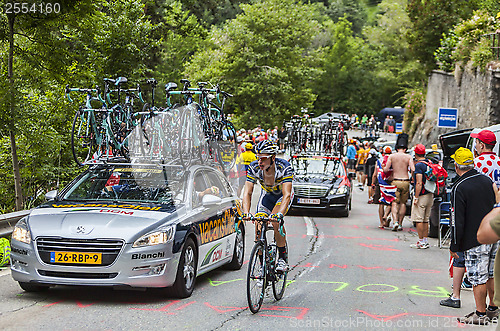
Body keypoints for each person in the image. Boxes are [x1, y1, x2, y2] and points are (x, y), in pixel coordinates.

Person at [448, 148, 498, 325]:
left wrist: (455, 245)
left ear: (456, 165)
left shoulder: (459, 186)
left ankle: (480, 313)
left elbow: (456, 220)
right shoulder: (487, 180)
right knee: (491, 274)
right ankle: (493, 308)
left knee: (478, 277)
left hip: (474, 238)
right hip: (493, 234)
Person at [241, 140, 294, 272]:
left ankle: (282, 259)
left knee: (275, 222)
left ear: (273, 158)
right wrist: (246, 213)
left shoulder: (284, 167)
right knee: (258, 225)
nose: (260, 162)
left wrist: (279, 215)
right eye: (258, 158)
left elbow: (287, 194)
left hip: (282, 197)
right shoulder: (254, 168)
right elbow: (247, 192)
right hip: (267, 196)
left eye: (263, 159)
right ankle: (262, 267)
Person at [384, 141, 414, 231]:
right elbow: (413, 169)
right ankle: (400, 224)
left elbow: (386, 170)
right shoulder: (408, 157)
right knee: (403, 203)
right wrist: (411, 176)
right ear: (405, 149)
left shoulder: (392, 156)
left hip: (395, 181)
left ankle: (395, 222)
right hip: (405, 181)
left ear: (397, 149)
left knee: (394, 202)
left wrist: (385, 168)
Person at [410, 144, 434, 249]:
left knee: (419, 219)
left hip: (422, 195)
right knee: (426, 219)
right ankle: (425, 240)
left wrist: (416, 196)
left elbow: (419, 183)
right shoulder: (430, 163)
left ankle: (420, 241)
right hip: (430, 194)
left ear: (415, 153)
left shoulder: (419, 165)